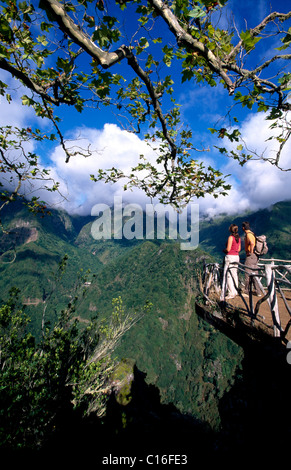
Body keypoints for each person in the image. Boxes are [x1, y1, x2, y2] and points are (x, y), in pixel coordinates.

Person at [242, 221, 261, 296]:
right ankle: (258, 291)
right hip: (255, 257)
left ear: (243, 228)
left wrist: (250, 252)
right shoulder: (252, 233)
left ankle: (246, 291)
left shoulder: (248, 235)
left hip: (251, 256)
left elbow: (252, 243)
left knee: (247, 273)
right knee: (254, 274)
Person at [222, 224, 241, 299]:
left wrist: (224, 250)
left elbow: (228, 249)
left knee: (228, 275)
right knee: (234, 274)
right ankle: (235, 291)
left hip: (230, 257)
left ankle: (231, 293)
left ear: (231, 230)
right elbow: (239, 249)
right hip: (236, 256)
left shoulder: (231, 237)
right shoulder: (238, 238)